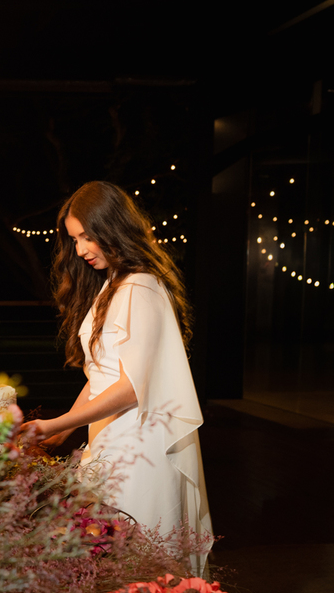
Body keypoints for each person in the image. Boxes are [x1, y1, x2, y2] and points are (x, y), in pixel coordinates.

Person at [18, 181, 212, 571]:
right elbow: (101, 376)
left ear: (113, 227)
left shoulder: (140, 288)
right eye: (75, 240)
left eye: (87, 237)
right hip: (112, 439)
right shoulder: (115, 285)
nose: (80, 250)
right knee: (111, 562)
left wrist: (58, 422)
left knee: (139, 566)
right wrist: (63, 432)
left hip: (139, 448)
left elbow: (130, 388)